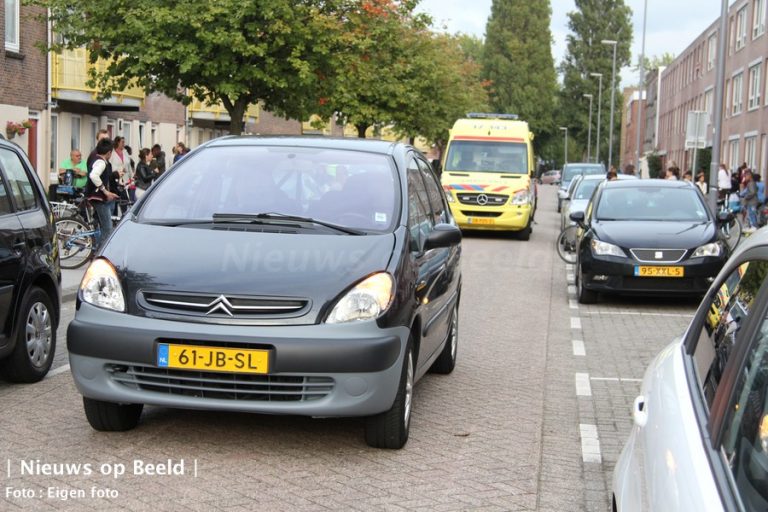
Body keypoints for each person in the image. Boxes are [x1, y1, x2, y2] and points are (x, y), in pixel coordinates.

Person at [85, 138, 120, 249]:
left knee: (101, 224)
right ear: (109, 152)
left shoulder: (96, 159)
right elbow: (93, 175)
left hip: (95, 197)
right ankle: (101, 252)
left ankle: (96, 247)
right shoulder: (101, 162)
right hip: (98, 198)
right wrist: (104, 191)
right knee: (107, 228)